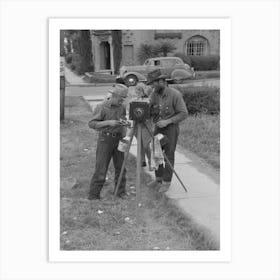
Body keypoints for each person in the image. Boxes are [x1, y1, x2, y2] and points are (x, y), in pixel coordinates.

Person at [147, 69, 188, 193]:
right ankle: (158, 179)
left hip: (170, 129)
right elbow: (151, 110)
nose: (152, 86)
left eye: (153, 83)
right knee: (156, 154)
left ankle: (166, 182)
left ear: (161, 81)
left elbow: (183, 113)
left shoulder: (175, 94)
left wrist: (167, 121)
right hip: (158, 128)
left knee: (169, 155)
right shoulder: (154, 94)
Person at [87, 84, 129, 200]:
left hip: (119, 139)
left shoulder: (122, 107)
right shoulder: (102, 107)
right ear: (114, 96)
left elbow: (123, 118)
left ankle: (120, 192)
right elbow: (91, 124)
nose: (122, 101)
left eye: (124, 98)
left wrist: (124, 124)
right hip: (105, 140)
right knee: (101, 168)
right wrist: (108, 122)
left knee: (121, 167)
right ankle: (94, 195)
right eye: (121, 98)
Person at [134, 82, 153, 171]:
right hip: (137, 125)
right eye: (136, 91)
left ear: (143, 91)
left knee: (145, 145)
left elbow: (151, 113)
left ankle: (150, 161)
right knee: (140, 144)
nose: (137, 93)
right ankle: (142, 161)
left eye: (139, 91)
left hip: (146, 125)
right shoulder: (135, 100)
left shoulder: (148, 100)